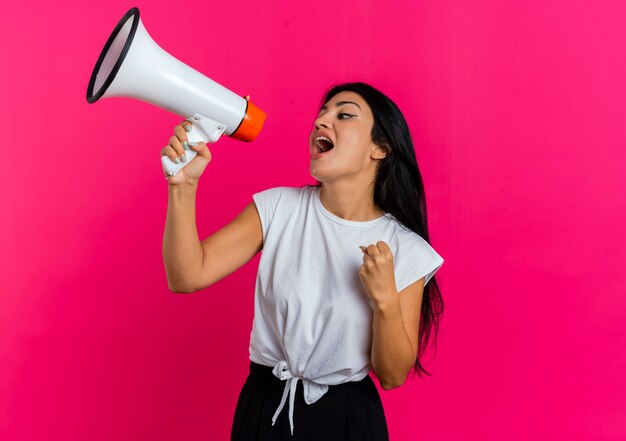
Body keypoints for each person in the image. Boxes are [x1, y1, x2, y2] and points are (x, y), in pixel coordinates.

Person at [161, 81, 445, 441]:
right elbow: (186, 276)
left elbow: (392, 377)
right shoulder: (278, 208)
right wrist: (182, 188)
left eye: (343, 115)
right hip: (265, 408)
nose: (321, 122)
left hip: (348, 421)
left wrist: (385, 298)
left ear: (380, 148)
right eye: (321, 115)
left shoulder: (404, 247)